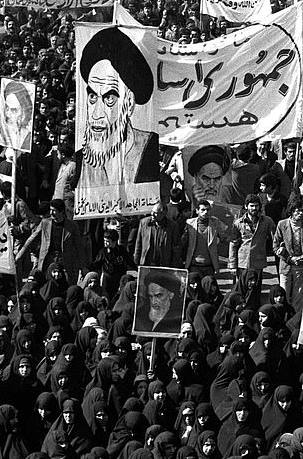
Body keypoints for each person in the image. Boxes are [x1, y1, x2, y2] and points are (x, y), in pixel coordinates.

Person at [74, 27, 159, 189]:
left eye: (109, 99)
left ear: (128, 104)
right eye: (92, 97)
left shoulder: (149, 149)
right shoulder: (80, 158)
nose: (96, 114)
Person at [273, 196, 303, 312]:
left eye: (302, 210)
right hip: (286, 265)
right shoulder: (282, 224)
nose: (300, 213)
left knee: (299, 297)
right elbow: (275, 246)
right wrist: (288, 258)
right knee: (283, 296)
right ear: (291, 211)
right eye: (297, 211)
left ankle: (295, 321)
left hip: (300, 266)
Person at [228, 193, 275, 279]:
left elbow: (275, 238)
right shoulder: (238, 223)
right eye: (251, 206)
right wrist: (232, 265)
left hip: (258, 261)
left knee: (256, 289)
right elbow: (233, 244)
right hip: (242, 261)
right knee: (241, 289)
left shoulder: (267, 221)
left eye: (256, 206)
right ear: (246, 206)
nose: (254, 208)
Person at [180, 198, 225, 277]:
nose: (206, 212)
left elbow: (224, 238)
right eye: (203, 210)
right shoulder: (189, 224)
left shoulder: (215, 223)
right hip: (194, 265)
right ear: (197, 211)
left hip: (209, 265)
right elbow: (183, 243)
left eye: (207, 210)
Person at [0, 80, 34, 152]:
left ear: (24, 113)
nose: (8, 114)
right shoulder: (1, 134)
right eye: (7, 108)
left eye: (14, 110)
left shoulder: (28, 140)